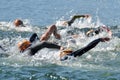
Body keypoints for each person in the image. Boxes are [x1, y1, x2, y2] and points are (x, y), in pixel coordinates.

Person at [17, 36, 110, 61]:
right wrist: (99, 39)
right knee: (73, 42)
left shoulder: (68, 57)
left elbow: (86, 48)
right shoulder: (70, 56)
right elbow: (86, 48)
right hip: (58, 54)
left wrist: (99, 40)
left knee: (73, 42)